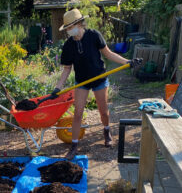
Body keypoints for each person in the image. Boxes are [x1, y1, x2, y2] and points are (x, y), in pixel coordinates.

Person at [51, 8, 141, 160]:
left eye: (70, 27)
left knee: (103, 111)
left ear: (79, 24)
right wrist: (58, 87)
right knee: (78, 113)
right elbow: (67, 69)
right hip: (82, 81)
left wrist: (128, 62)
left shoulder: (93, 36)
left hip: (99, 78)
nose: (69, 30)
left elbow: (108, 53)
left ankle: (106, 131)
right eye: (67, 28)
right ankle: (74, 145)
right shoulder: (68, 45)